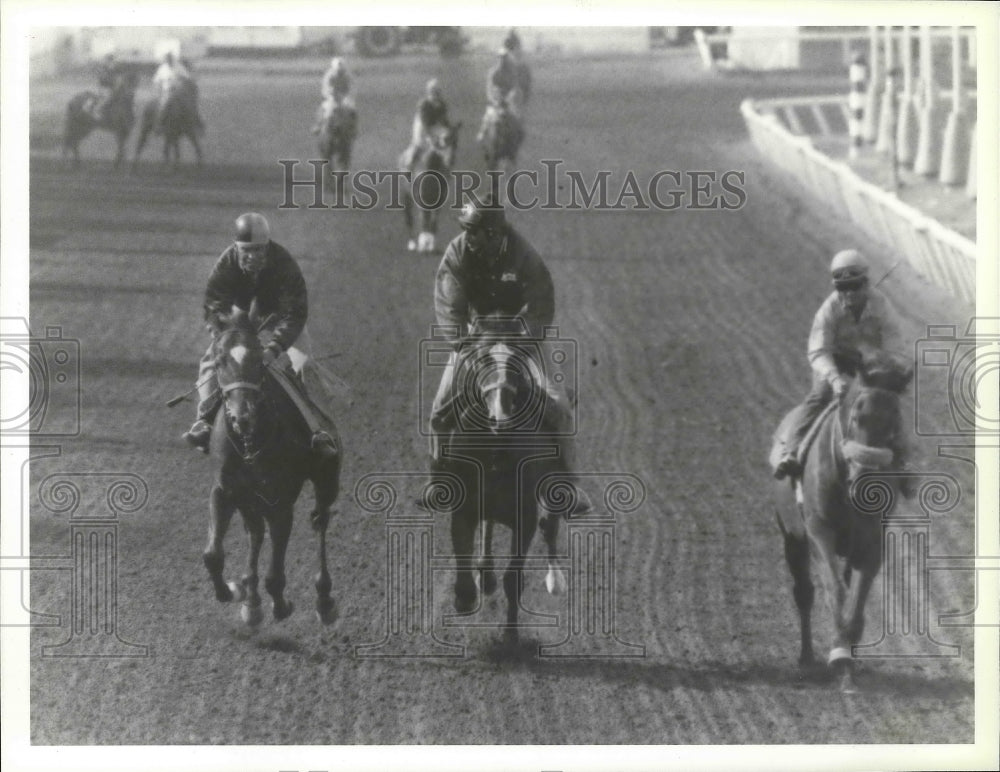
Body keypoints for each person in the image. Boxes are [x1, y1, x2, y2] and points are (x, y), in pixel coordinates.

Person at [429, 196, 590, 512]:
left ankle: (570, 485)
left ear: (493, 232)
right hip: (476, 337)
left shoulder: (522, 252)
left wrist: (525, 341)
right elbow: (450, 310)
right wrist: (468, 348)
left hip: (521, 335)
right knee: (438, 410)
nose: (468, 237)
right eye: (466, 230)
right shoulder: (457, 253)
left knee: (559, 404)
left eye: (474, 231)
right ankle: (437, 480)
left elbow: (543, 299)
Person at [182, 212, 339, 461]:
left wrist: (274, 348)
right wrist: (223, 337)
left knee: (304, 364)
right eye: (247, 251)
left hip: (279, 321)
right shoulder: (226, 262)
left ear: (268, 248)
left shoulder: (284, 263)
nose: (253, 256)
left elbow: (295, 314)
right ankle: (204, 422)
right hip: (238, 323)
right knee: (211, 362)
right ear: (237, 248)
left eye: (259, 250)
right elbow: (213, 306)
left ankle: (319, 429)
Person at [774, 249, 910, 480]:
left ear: (866, 284)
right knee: (820, 396)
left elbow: (895, 347)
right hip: (834, 362)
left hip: (870, 363)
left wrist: (882, 369)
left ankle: (903, 462)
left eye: (855, 286)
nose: (849, 294)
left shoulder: (883, 307)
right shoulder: (828, 310)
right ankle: (791, 451)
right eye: (842, 288)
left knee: (888, 403)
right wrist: (836, 379)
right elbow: (818, 351)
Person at [401, 78, 452, 171]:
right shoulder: (423, 104)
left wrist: (449, 129)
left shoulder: (442, 104)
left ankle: (445, 164)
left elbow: (444, 120)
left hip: (433, 125)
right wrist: (430, 137)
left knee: (447, 137)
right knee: (419, 142)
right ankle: (409, 164)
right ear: (429, 91)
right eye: (433, 91)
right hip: (422, 124)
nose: (435, 93)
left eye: (437, 91)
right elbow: (425, 124)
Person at [152, 50, 203, 134]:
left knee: (190, 105)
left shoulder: (178, 67)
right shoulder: (162, 68)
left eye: (170, 59)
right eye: (167, 60)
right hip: (166, 91)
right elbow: (156, 80)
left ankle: (197, 125)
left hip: (178, 91)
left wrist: (184, 81)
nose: (169, 61)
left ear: (172, 59)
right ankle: (159, 125)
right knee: (164, 105)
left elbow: (187, 77)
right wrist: (158, 90)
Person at [477, 48, 521, 143]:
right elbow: (489, 88)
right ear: (498, 58)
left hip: (507, 99)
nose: (502, 60)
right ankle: (482, 133)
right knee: (488, 115)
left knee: (515, 116)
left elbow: (514, 87)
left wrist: (509, 97)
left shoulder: (511, 72)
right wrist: (493, 99)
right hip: (495, 98)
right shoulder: (493, 72)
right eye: (500, 57)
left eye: (504, 57)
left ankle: (517, 136)